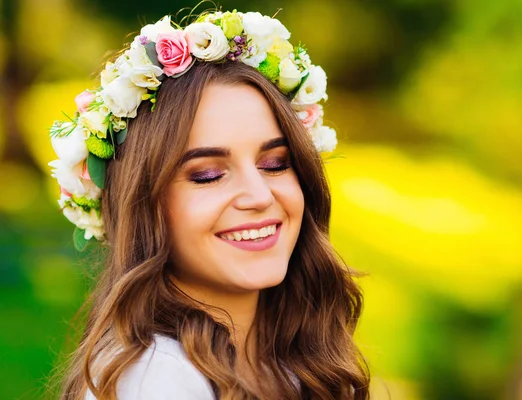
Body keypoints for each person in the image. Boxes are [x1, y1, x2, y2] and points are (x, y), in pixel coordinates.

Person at [49, 8, 370, 400]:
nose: (259, 196)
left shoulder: (288, 359)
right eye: (207, 175)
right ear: (143, 204)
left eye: (275, 164)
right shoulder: (152, 381)